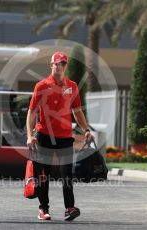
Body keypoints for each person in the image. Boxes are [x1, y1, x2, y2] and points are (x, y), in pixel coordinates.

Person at [26, 51, 93, 221]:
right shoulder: (41, 86)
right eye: (57, 63)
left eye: (63, 64)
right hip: (44, 136)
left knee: (67, 174)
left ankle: (69, 208)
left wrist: (86, 130)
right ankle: (43, 209)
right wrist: (29, 135)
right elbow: (32, 112)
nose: (60, 66)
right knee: (43, 175)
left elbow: (77, 112)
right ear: (51, 65)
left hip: (64, 137)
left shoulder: (72, 86)